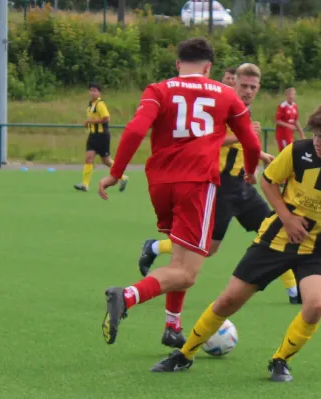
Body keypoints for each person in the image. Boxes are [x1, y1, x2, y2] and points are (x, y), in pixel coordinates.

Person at [150, 101, 321, 382]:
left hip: (319, 250)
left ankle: (280, 360)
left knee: (316, 305)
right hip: (274, 241)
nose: (317, 142)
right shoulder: (299, 152)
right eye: (315, 135)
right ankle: (185, 354)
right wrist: (286, 217)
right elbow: (268, 180)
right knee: (229, 300)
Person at [98, 38, 262, 346]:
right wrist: (251, 171)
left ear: (177, 64)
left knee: (180, 258)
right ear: (209, 67)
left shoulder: (157, 90)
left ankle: (172, 326)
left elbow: (135, 130)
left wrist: (115, 173)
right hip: (196, 184)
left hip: (160, 185)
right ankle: (127, 296)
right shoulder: (226, 94)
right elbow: (251, 142)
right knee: (187, 273)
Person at [137, 63, 301, 350]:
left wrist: (259, 154)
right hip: (220, 187)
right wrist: (244, 136)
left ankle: (293, 290)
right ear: (233, 84)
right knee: (206, 249)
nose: (248, 91)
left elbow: (241, 143)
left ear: (258, 88)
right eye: (243, 86)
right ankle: (155, 248)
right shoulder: (220, 104)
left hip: (243, 187)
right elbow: (206, 140)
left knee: (276, 226)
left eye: (253, 87)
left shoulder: (242, 110)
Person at [74, 82, 129, 193]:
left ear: (99, 93)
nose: (92, 93)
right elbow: (92, 119)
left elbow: (106, 118)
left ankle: (123, 177)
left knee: (106, 161)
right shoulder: (90, 105)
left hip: (102, 136)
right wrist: (87, 123)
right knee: (89, 158)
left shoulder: (100, 104)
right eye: (91, 90)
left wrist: (91, 121)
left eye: (95, 90)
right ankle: (85, 184)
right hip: (92, 136)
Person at [274, 87, 305, 151]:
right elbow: (277, 121)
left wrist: (302, 134)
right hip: (282, 135)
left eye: (293, 94)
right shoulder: (282, 106)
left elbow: (296, 120)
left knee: (291, 153)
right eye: (289, 94)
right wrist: (289, 125)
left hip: (290, 135)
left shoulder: (294, 106)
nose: (291, 96)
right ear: (286, 96)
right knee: (285, 153)